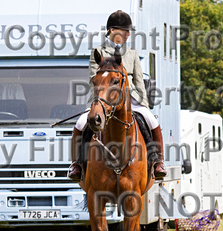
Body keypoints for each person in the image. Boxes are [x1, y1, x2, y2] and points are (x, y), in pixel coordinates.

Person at [68, 10, 167, 182]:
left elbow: (138, 82)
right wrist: (101, 99)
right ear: (112, 31)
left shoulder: (132, 53)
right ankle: (77, 164)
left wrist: (144, 104)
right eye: (124, 31)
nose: (128, 35)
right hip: (104, 99)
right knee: (81, 123)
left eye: (129, 32)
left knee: (152, 121)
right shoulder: (98, 52)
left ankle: (158, 161)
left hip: (131, 100)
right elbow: (94, 78)